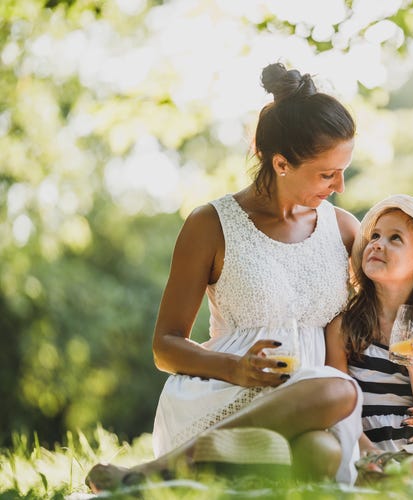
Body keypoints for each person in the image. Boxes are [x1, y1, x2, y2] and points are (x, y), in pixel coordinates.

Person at [86, 62, 363, 490]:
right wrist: (236, 368)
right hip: (226, 390)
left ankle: (158, 478)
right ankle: (173, 465)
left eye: (343, 169)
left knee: (320, 450)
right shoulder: (210, 224)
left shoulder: (343, 229)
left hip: (309, 408)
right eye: (328, 174)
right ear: (281, 163)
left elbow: (398, 307)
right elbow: (165, 347)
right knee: (338, 389)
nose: (340, 186)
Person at [325, 194, 413, 453]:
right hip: (368, 448)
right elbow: (338, 406)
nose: (377, 244)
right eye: (375, 236)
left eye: (395, 238)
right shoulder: (343, 328)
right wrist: (371, 457)